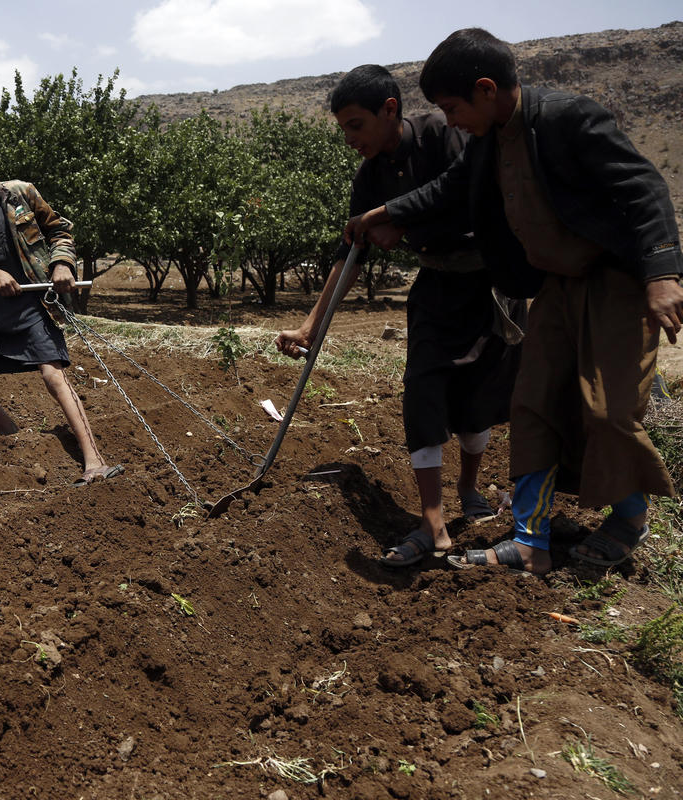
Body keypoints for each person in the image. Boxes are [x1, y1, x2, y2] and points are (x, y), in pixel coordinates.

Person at [346, 28, 683, 576]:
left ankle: (629, 519)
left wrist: (663, 273)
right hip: (553, 286)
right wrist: (390, 212)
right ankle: (530, 539)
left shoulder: (565, 117)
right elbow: (449, 189)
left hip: (615, 282)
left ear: (485, 89)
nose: (449, 121)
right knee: (533, 405)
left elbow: (643, 188)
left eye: (452, 107)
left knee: (606, 409)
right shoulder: (487, 140)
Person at [276, 65, 524, 569]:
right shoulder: (369, 178)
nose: (349, 138)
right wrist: (311, 326)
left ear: (390, 109)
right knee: (423, 389)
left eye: (356, 125)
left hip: (488, 285)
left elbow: (477, 203)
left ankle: (470, 489)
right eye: (342, 128)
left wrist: (402, 218)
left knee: (479, 399)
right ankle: (432, 522)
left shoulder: (444, 134)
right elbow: (350, 254)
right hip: (435, 287)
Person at [0, 125, 121, 486]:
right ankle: (9, 430)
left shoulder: (21, 193)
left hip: (34, 303)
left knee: (54, 375)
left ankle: (94, 460)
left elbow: (60, 231)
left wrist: (61, 264)